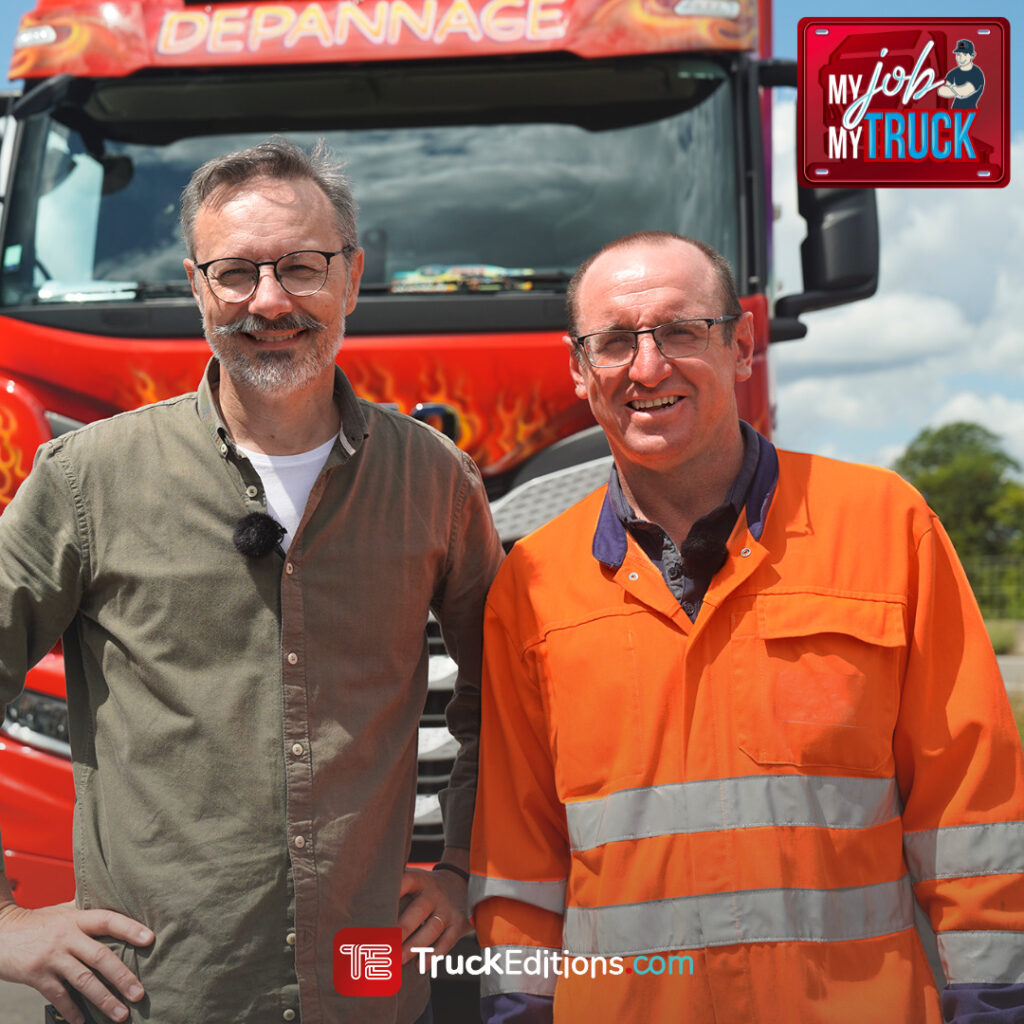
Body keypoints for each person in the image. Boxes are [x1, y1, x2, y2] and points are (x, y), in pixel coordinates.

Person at [0, 138, 503, 1024]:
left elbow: (505, 701)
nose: (269, 301)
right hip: (152, 1001)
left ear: (350, 278)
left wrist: (466, 867)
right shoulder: (85, 479)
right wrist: (2, 926)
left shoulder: (436, 480)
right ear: (198, 288)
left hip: (367, 995)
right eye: (235, 273)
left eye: (302, 267)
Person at [469, 231, 1024, 1023]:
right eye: (616, 341)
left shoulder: (887, 527)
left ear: (742, 345)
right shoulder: (529, 585)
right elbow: (519, 856)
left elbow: (970, 808)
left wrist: (994, 1003)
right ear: (579, 369)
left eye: (681, 331)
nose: (648, 367)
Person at [939, 38, 985, 110]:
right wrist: (956, 90)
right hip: (953, 114)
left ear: (972, 56)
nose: (961, 58)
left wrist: (950, 87)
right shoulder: (953, 73)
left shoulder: (976, 74)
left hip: (970, 114)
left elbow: (964, 92)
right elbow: (940, 90)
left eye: (965, 54)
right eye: (958, 54)